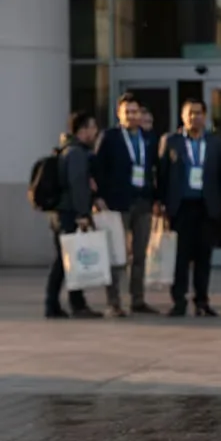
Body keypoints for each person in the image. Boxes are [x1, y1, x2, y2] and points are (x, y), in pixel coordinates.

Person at [157, 98, 221, 318]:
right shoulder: (171, 141)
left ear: (204, 117)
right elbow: (162, 175)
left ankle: (202, 301)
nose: (194, 117)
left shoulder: (216, 143)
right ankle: (178, 301)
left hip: (206, 207)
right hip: (181, 208)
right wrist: (161, 202)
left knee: (203, 257)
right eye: (189, 113)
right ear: (182, 116)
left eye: (198, 113)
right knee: (180, 258)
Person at [92, 92, 159, 317]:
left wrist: (156, 199)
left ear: (141, 114)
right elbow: (97, 168)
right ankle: (114, 302)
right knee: (116, 255)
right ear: (119, 114)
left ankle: (138, 300)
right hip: (116, 203)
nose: (131, 116)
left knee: (139, 254)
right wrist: (98, 197)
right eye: (127, 112)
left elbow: (155, 170)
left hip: (143, 201)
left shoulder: (149, 138)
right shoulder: (109, 137)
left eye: (135, 111)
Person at [45, 111, 102, 319]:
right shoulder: (76, 153)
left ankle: (61, 304)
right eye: (93, 127)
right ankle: (65, 304)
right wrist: (82, 214)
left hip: (61, 213)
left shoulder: (66, 150)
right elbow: (77, 185)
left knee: (66, 260)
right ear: (83, 130)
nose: (95, 132)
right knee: (67, 260)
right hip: (69, 213)